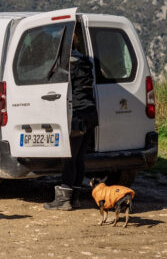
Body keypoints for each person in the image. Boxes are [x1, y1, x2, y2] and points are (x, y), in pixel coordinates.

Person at [44, 24, 98, 211]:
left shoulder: (67, 66)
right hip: (90, 115)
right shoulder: (86, 62)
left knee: (68, 158)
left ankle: (63, 200)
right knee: (78, 159)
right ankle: (75, 198)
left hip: (75, 116)